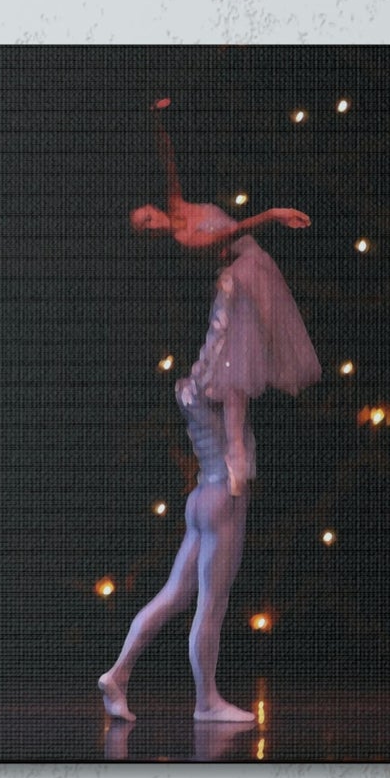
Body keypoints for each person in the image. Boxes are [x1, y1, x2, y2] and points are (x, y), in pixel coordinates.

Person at [99, 106, 322, 726]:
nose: (148, 219)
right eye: (143, 225)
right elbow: (233, 417)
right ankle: (205, 703)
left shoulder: (190, 385)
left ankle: (117, 675)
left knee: (174, 594)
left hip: (202, 497)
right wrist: (242, 468)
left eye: (141, 214)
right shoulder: (190, 238)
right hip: (221, 496)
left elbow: (167, 164)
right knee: (211, 605)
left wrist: (160, 125)